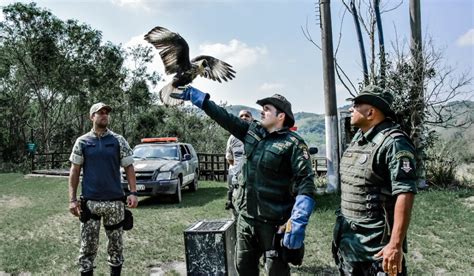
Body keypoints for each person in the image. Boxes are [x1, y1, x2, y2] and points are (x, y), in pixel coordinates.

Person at [172, 87, 316, 275]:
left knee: (276, 270)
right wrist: (203, 101)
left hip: (273, 223)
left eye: (267, 109)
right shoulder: (252, 131)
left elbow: (306, 182)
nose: (261, 112)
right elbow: (225, 118)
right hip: (246, 220)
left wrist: (298, 219)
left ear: (281, 116)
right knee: (243, 266)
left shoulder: (294, 144)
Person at [332, 85, 417, 276]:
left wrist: (394, 246)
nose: (351, 109)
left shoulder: (394, 143)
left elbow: (405, 193)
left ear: (370, 112)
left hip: (377, 250)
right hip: (350, 245)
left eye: (357, 105)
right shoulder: (359, 139)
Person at [68, 102, 139, 276]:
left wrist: (133, 192)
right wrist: (72, 199)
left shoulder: (118, 140)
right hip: (91, 203)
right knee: (87, 248)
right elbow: (74, 170)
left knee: (116, 248)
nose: (104, 115)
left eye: (106, 112)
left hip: (115, 203)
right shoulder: (82, 141)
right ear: (92, 117)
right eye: (100, 113)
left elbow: (129, 167)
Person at [225, 109, 253, 215]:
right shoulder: (232, 137)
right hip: (235, 176)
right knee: (235, 205)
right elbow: (229, 158)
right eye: (241, 116)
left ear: (252, 119)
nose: (244, 118)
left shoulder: (257, 135)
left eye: (247, 116)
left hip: (252, 178)